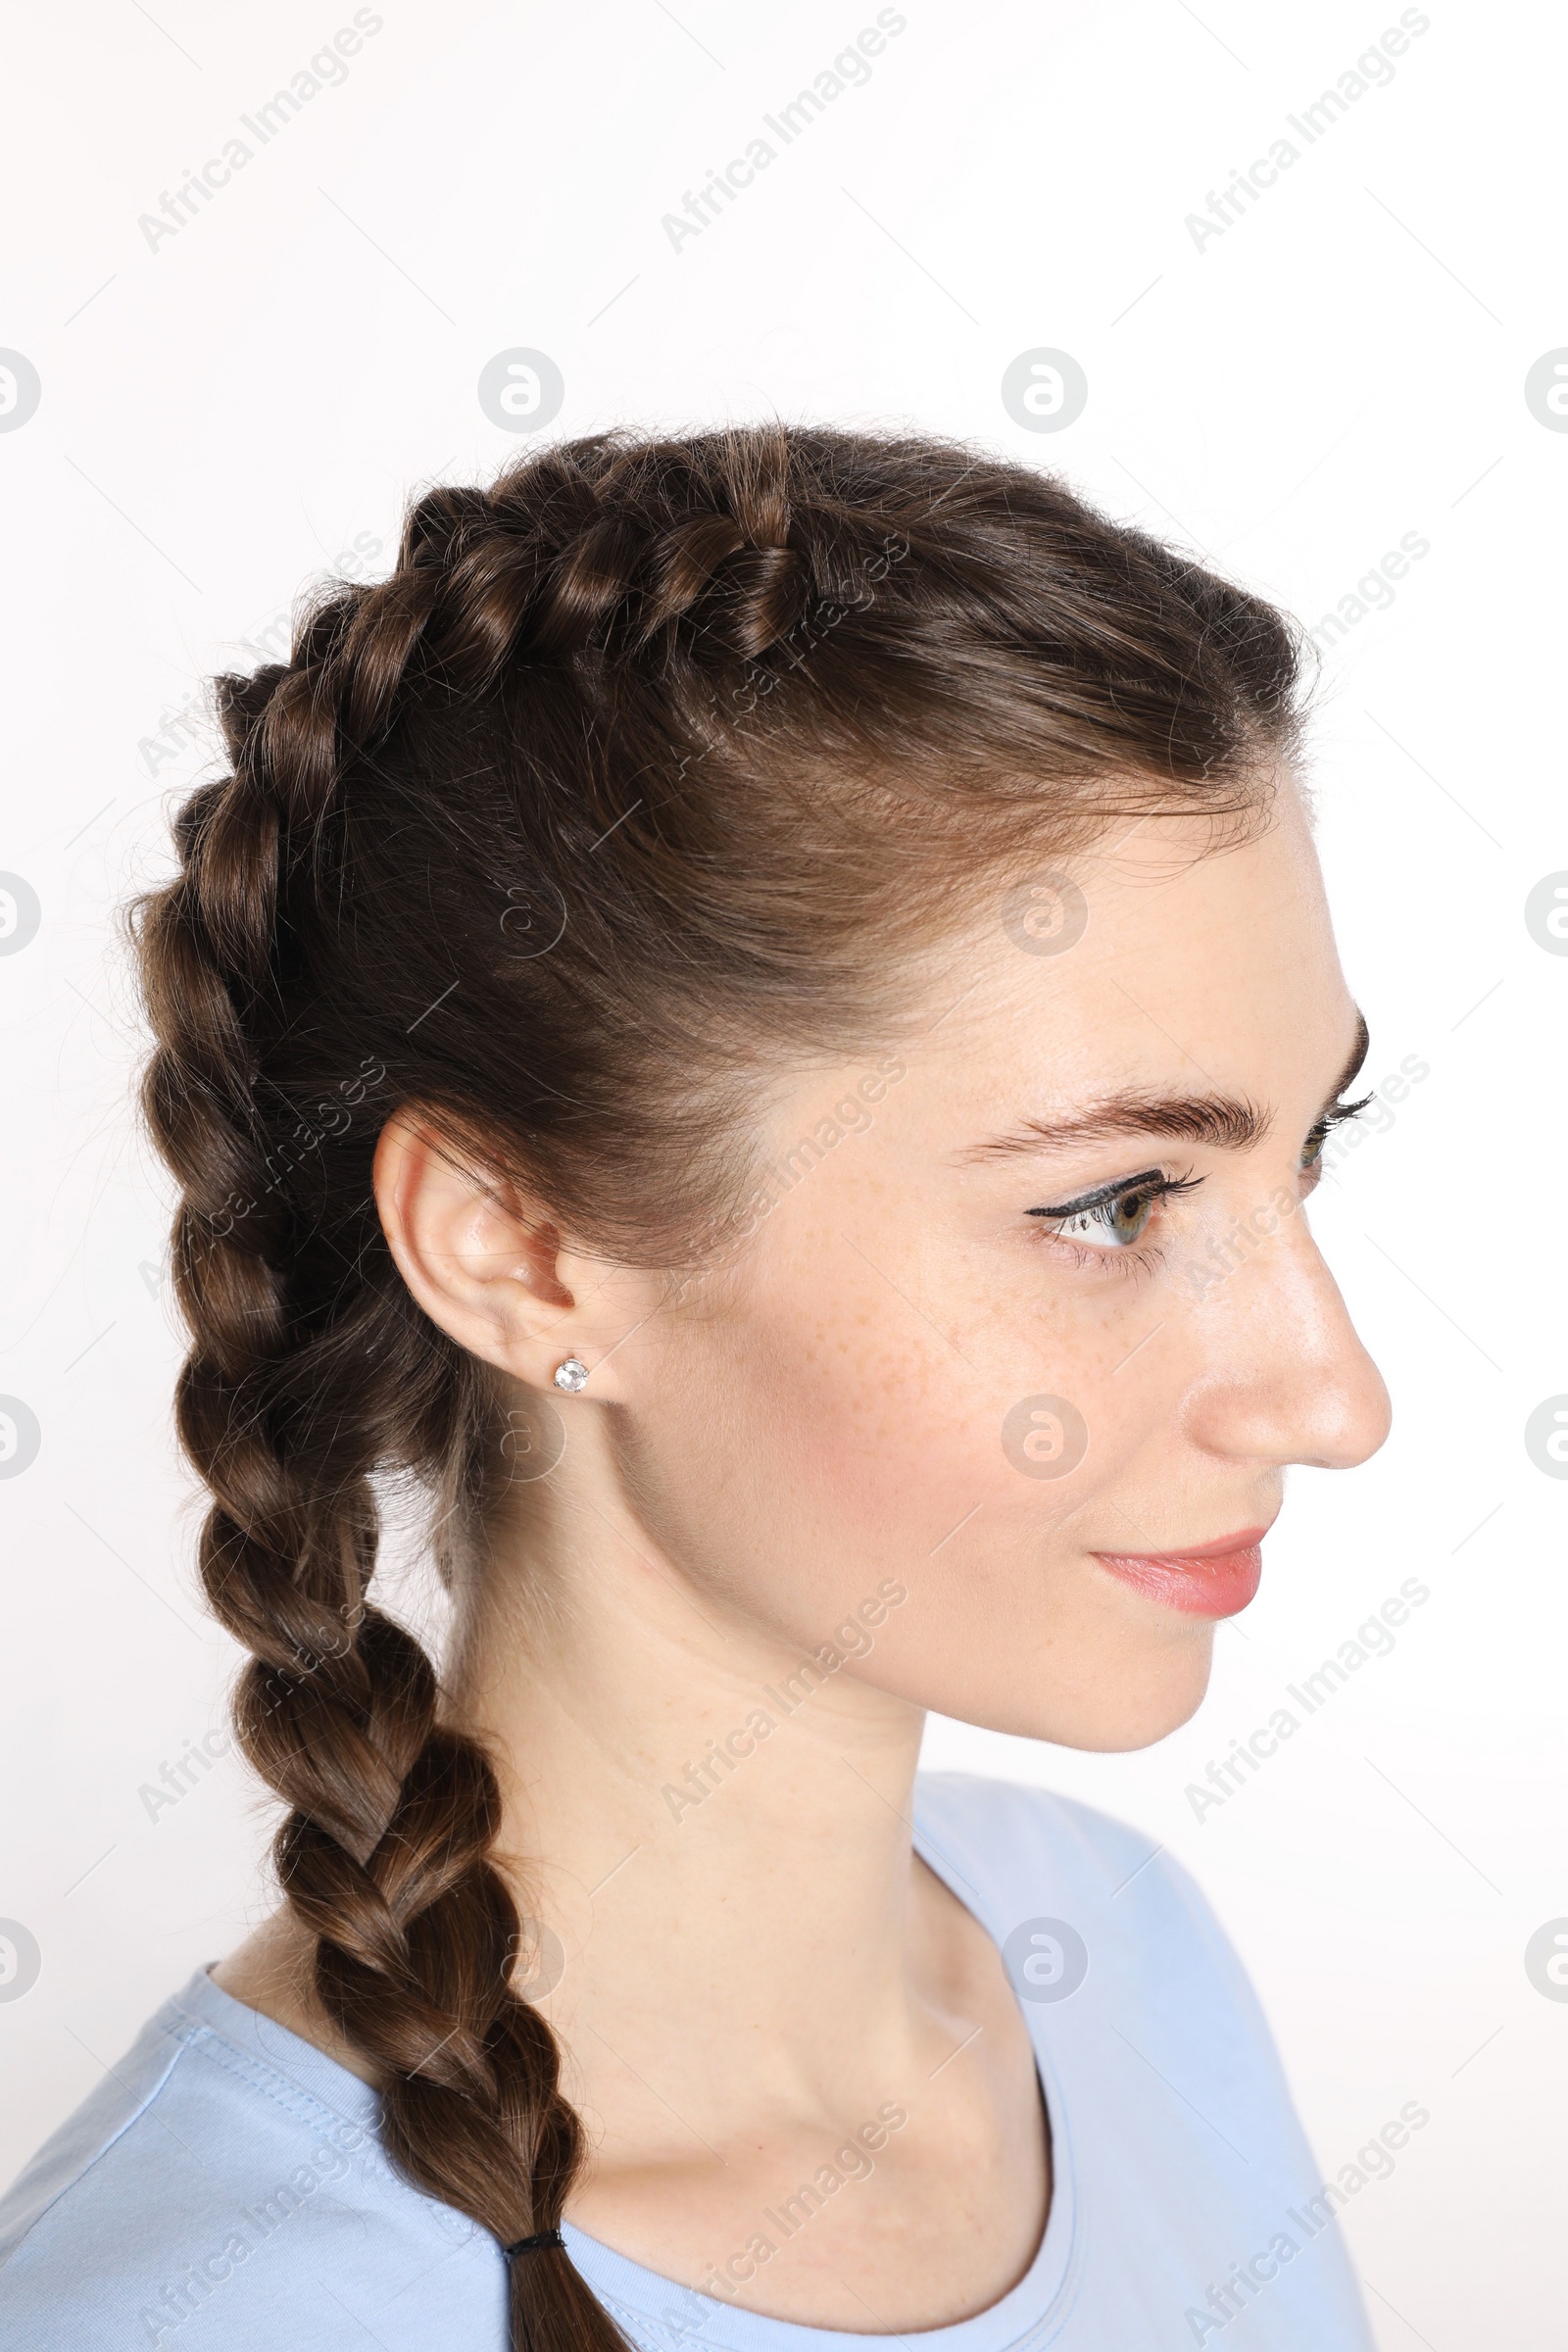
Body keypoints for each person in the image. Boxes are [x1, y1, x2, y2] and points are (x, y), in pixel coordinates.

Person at [0, 424, 1391, 2350]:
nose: (1331, 1399)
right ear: (516, 1247)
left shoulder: (1117, 1960)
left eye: (1305, 1147)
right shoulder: (186, 2314)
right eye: (1108, 1202)